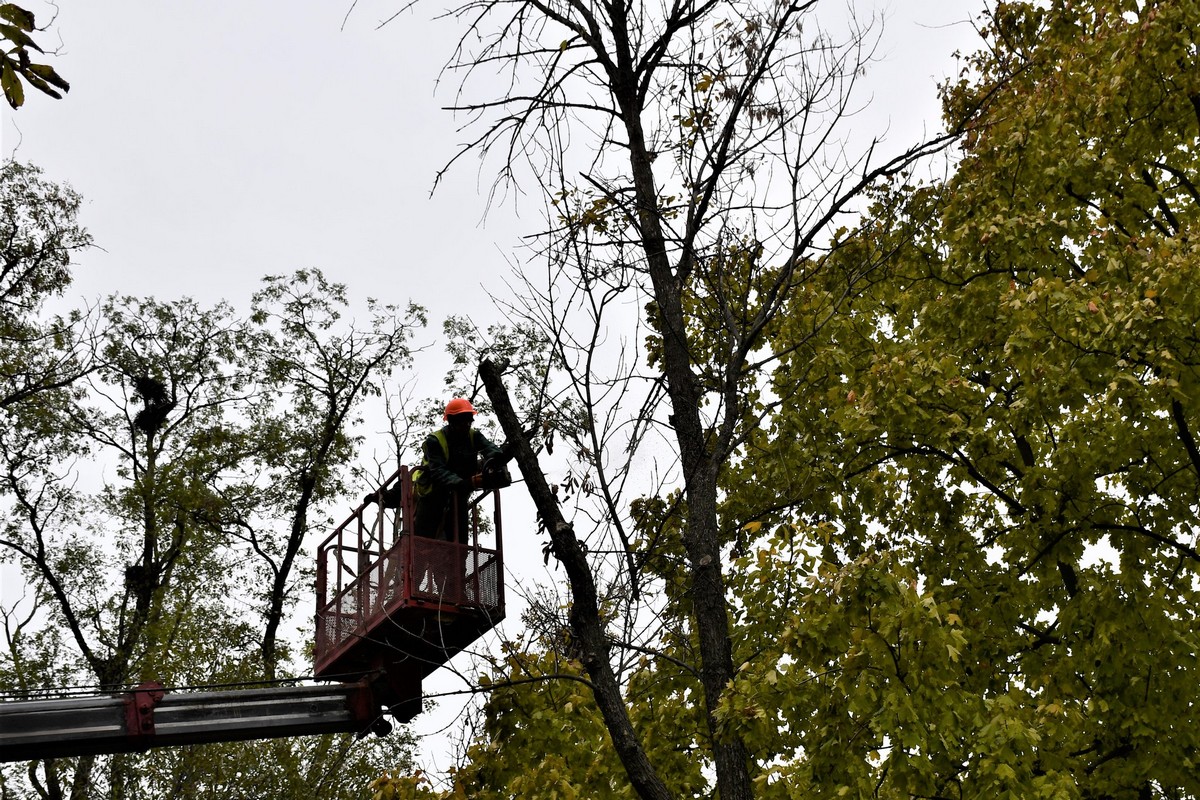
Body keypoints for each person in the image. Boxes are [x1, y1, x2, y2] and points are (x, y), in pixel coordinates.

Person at [413, 397, 504, 542]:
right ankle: (419, 561)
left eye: (469, 420)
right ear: (451, 421)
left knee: (460, 543)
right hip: (433, 496)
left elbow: (490, 449)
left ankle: (459, 563)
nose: (467, 425)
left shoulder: (474, 436)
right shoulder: (435, 440)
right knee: (423, 542)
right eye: (463, 421)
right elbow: (438, 472)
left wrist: (498, 460)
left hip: (458, 496)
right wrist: (467, 483)